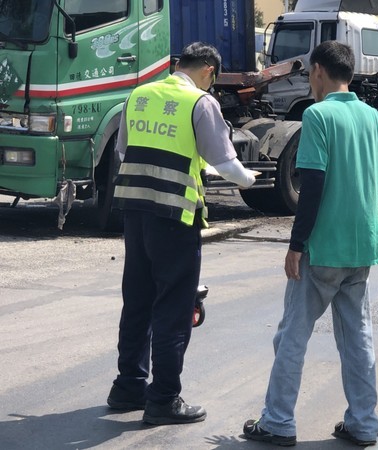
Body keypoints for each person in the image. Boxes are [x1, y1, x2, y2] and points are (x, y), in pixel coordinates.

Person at [242, 40, 378, 447]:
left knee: (292, 335)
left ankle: (277, 422)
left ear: (319, 73)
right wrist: (357, 207)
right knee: (357, 337)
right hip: (362, 245)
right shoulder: (370, 116)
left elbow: (311, 185)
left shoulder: (318, 115)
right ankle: (363, 423)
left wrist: (296, 245)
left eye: (311, 74)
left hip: (322, 248)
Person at [106, 42, 256, 425]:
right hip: (174, 216)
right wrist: (250, 179)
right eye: (214, 80)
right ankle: (164, 399)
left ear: (177, 65)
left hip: (135, 212)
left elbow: (124, 152)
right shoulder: (199, 104)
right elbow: (226, 163)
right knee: (173, 307)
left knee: (138, 298)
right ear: (209, 70)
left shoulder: (139, 95)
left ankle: (128, 388)